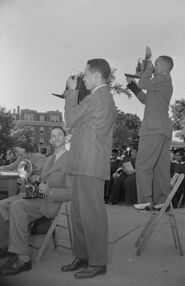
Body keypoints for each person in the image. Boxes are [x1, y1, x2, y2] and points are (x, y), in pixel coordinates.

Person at [61, 59, 116, 279]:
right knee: (79, 215)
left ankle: (97, 262)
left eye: (85, 74)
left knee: (92, 215)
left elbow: (70, 119)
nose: (83, 78)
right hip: (82, 162)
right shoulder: (97, 98)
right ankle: (83, 256)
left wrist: (71, 92)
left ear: (96, 76)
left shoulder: (100, 97)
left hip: (90, 164)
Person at [0, 127, 71, 276]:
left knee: (17, 206)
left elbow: (71, 192)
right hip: (37, 195)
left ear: (66, 138)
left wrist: (50, 191)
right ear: (50, 140)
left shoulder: (71, 160)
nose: (56, 138)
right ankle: (8, 247)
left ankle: (23, 258)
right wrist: (29, 180)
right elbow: (40, 180)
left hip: (51, 202)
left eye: (60, 135)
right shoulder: (50, 158)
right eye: (53, 135)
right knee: (2, 205)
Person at [126, 55, 174, 210]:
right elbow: (145, 100)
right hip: (163, 129)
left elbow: (143, 82)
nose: (154, 66)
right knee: (160, 168)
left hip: (153, 128)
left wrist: (146, 69)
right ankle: (161, 201)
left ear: (164, 66)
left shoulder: (163, 78)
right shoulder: (161, 82)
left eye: (156, 64)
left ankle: (145, 200)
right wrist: (132, 86)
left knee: (143, 165)